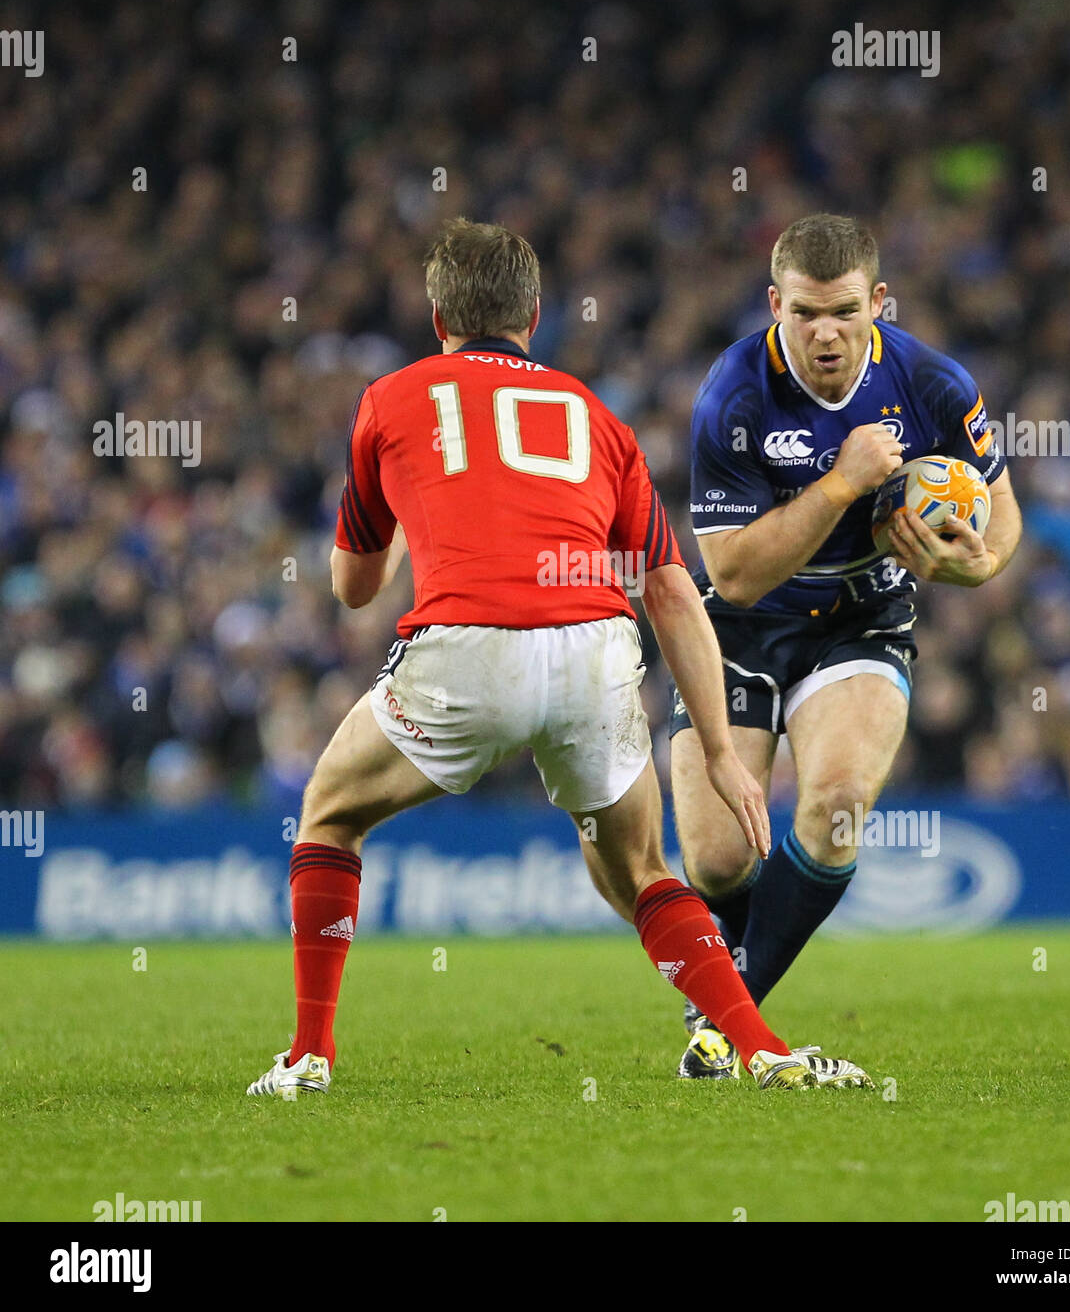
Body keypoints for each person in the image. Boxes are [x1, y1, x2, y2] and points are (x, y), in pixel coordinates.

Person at [247, 217, 874, 1098]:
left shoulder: (389, 399)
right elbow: (669, 591)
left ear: (437, 318)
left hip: (466, 647)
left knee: (328, 815)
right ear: (535, 316)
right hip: (594, 649)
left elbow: (353, 586)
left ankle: (310, 1054)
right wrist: (723, 754)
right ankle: (765, 1050)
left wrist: (392, 533)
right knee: (642, 872)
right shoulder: (597, 417)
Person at [671, 213, 1022, 1078]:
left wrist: (972, 568)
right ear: (773, 305)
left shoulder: (933, 384)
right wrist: (842, 483)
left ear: (878, 302)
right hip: (742, 628)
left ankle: (726, 1024)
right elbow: (735, 572)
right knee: (717, 861)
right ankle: (731, 1004)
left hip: (861, 618)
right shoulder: (731, 392)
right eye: (802, 314)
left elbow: (1003, 519)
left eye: (843, 312)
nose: (824, 333)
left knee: (833, 810)